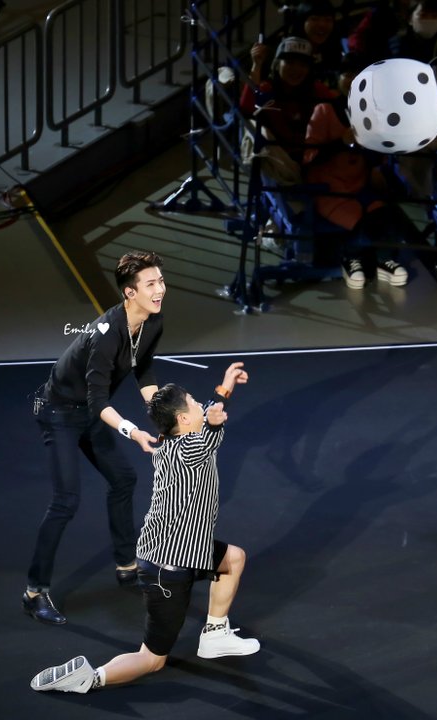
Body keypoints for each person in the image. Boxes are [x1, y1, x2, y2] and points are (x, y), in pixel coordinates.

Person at [30, 362, 260, 694]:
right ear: (183, 419)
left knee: (233, 558)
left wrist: (224, 389)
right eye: (194, 402)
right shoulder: (191, 449)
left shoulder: (170, 439)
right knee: (152, 659)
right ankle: (91, 677)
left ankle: (214, 634)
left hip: (178, 548)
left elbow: (206, 419)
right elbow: (208, 431)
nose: (200, 404)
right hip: (170, 568)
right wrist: (214, 417)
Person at [23, 250, 166, 625]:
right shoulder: (105, 336)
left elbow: (143, 368)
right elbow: (99, 401)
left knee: (124, 478)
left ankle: (126, 567)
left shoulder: (152, 320)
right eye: (151, 284)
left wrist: (161, 414)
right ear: (129, 293)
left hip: (89, 411)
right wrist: (133, 431)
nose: (160, 290)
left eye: (161, 281)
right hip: (59, 413)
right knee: (66, 501)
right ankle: (34, 592)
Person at [304, 52, 409, 288]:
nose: (353, 80)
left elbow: (376, 157)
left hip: (360, 187)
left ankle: (383, 260)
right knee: (358, 219)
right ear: (338, 77)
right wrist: (341, 143)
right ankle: (351, 259)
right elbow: (309, 158)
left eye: (359, 75)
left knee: (383, 213)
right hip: (329, 189)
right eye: (348, 74)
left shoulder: (372, 114)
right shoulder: (324, 110)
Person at [240, 35, 336, 250]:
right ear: (277, 64)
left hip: (313, 161)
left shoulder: (318, 91)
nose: (296, 70)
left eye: (302, 64)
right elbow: (246, 108)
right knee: (257, 134)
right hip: (280, 162)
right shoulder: (268, 89)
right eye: (289, 62)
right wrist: (257, 65)